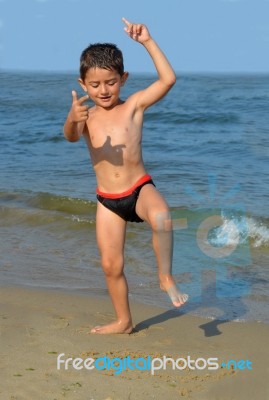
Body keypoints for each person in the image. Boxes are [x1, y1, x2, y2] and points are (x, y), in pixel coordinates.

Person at [63, 17, 188, 334]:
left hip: (138, 188)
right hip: (108, 201)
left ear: (123, 78)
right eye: (94, 85)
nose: (103, 90)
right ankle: (124, 321)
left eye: (111, 82)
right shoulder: (86, 117)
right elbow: (72, 137)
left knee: (161, 216)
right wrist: (72, 117)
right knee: (111, 265)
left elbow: (168, 79)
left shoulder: (133, 106)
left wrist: (147, 41)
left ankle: (165, 277)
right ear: (83, 85)